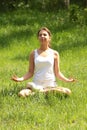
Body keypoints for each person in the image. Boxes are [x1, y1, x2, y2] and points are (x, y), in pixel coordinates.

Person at [11, 27, 75, 97]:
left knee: (68, 92)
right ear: (38, 38)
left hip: (50, 85)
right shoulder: (33, 53)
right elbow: (30, 72)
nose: (42, 36)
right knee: (21, 94)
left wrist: (67, 80)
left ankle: (39, 93)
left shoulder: (54, 53)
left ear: (49, 38)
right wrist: (20, 79)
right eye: (40, 35)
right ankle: (44, 92)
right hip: (36, 84)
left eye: (44, 35)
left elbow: (57, 72)